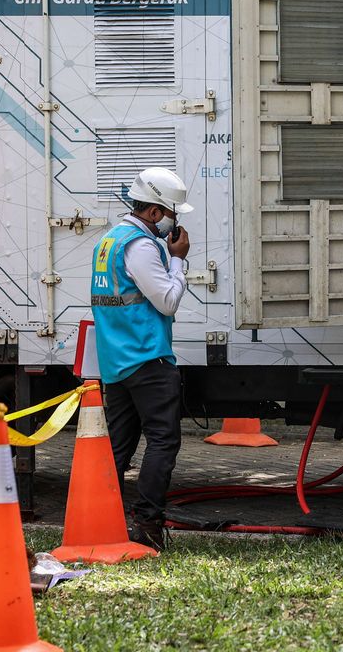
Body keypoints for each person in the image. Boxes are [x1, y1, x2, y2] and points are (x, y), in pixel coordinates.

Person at [90, 167, 193, 551]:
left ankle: (103, 519)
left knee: (118, 446)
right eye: (172, 215)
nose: (174, 223)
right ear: (153, 213)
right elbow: (166, 299)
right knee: (163, 441)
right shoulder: (142, 246)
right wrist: (178, 260)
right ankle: (147, 525)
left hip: (116, 361)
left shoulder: (109, 241)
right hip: (148, 357)